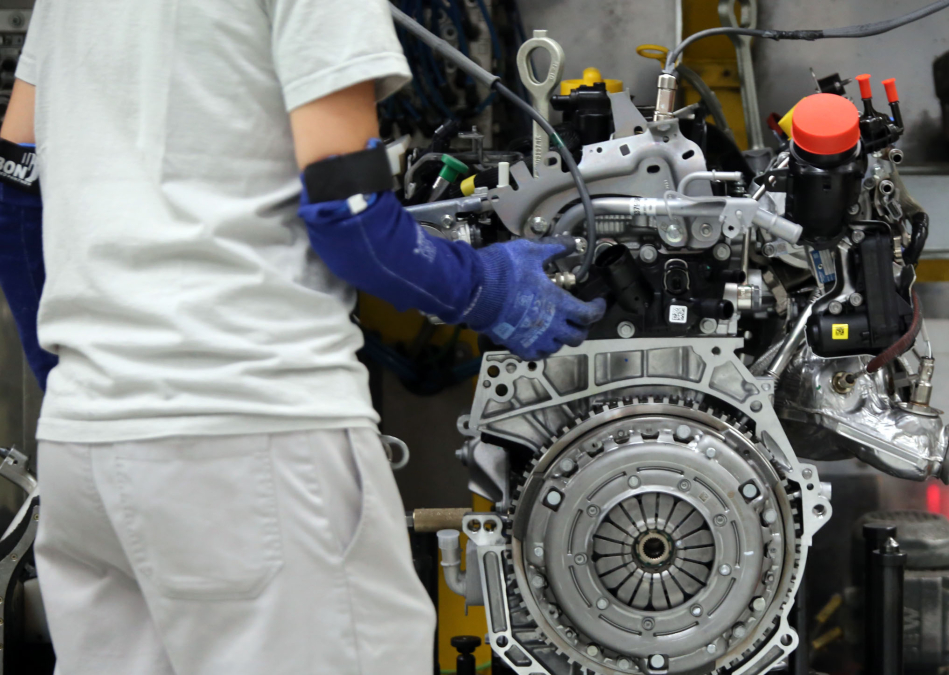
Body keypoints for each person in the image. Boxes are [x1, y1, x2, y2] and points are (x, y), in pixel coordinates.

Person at [0, 0, 604, 672]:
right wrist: (488, 289)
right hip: (251, 442)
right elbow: (350, 220)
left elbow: (14, 186)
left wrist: (84, 382)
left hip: (86, 453)